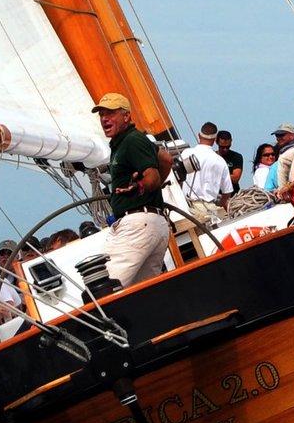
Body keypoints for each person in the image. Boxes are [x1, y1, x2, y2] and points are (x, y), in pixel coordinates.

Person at [93, 92, 170, 286]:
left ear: (126, 116)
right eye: (101, 114)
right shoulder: (133, 140)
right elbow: (167, 160)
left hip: (137, 225)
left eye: (110, 114)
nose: (104, 119)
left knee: (106, 287)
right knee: (143, 292)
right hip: (154, 224)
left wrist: (140, 187)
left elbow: (152, 175)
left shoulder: (132, 141)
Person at [181, 121, 233, 226]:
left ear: (199, 135)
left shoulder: (186, 153)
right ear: (215, 140)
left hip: (188, 207)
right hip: (211, 208)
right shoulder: (220, 161)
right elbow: (226, 193)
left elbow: (179, 179)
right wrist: (220, 204)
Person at [266, 123, 294, 190]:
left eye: (282, 135)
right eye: (277, 135)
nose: (278, 138)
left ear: (292, 136)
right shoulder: (283, 152)